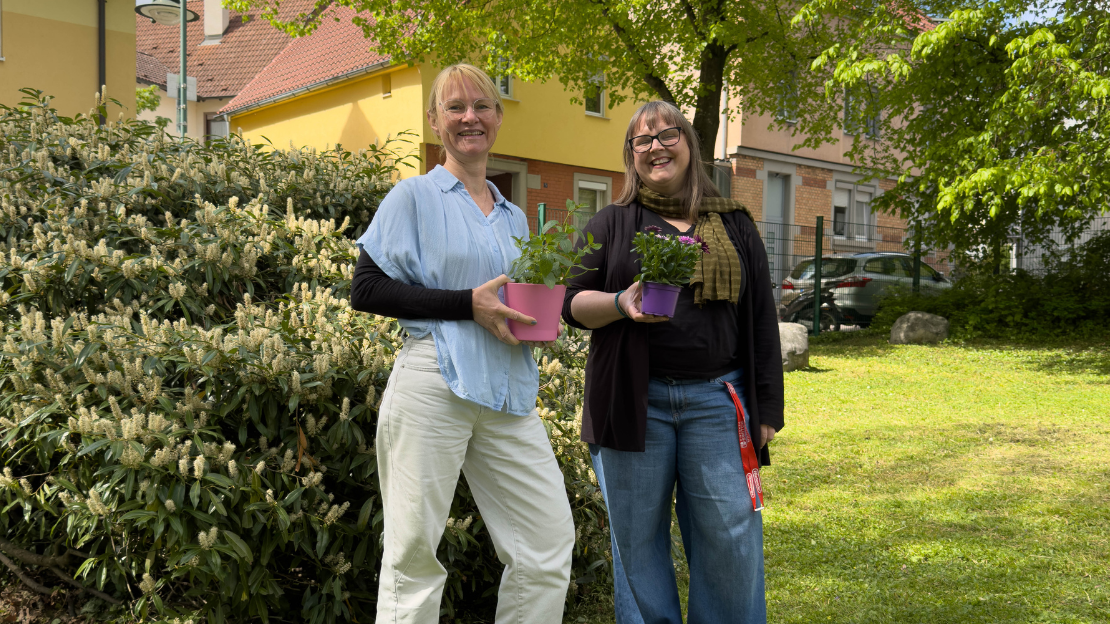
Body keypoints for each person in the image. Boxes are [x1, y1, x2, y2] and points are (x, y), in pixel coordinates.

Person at [350, 63, 574, 624]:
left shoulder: (515, 216)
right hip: (433, 383)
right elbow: (366, 288)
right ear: (435, 120)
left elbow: (509, 299)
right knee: (412, 556)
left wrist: (540, 318)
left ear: (498, 118)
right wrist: (464, 305)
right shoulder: (413, 197)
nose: (469, 117)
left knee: (545, 545)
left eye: (481, 105)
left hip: (508, 391)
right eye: (454, 107)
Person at [561, 100, 784, 624]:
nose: (656, 146)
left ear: (689, 144)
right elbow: (571, 304)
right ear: (631, 156)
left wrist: (767, 407)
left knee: (731, 538)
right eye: (643, 140)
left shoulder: (734, 224)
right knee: (637, 546)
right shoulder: (611, 223)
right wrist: (620, 302)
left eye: (668, 135)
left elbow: (760, 317)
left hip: (718, 401)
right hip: (634, 404)